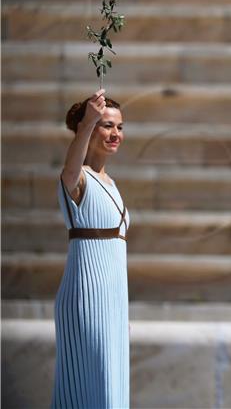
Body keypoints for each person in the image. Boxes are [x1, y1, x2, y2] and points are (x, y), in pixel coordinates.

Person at [53, 88, 131, 408]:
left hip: (113, 300)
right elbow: (70, 170)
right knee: (92, 387)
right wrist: (87, 122)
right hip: (87, 296)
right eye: (107, 125)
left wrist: (122, 309)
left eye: (119, 127)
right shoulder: (78, 178)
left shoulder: (111, 183)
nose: (115, 134)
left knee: (112, 385)